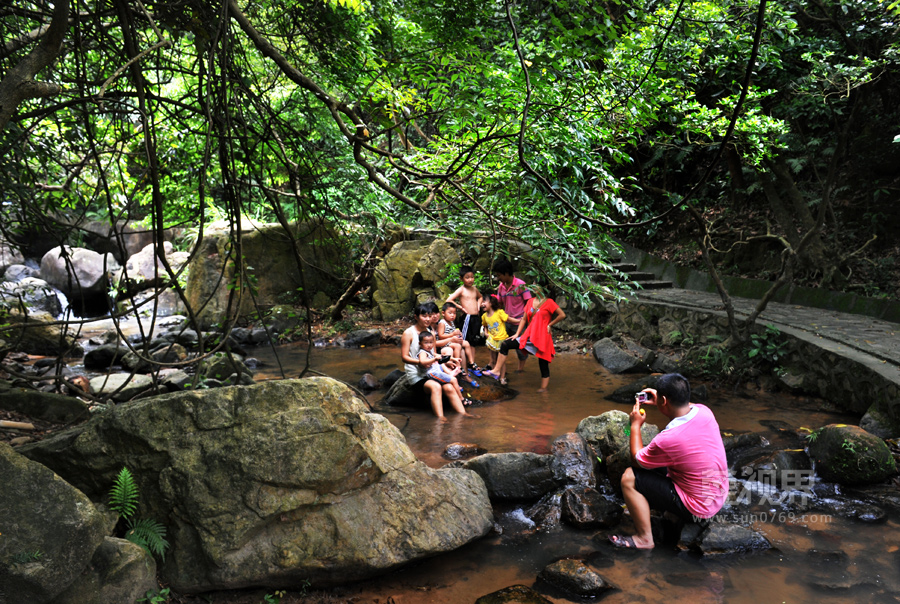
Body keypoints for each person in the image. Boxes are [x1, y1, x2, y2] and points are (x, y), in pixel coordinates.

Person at [608, 373, 729, 549]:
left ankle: (644, 539)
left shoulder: (668, 439)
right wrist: (662, 401)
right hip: (717, 495)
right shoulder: (705, 412)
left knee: (629, 478)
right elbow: (682, 411)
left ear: (664, 401)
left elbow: (637, 460)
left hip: (699, 508)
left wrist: (635, 425)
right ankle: (671, 513)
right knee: (662, 460)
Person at [400, 302, 475, 420]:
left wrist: (448, 360)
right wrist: (420, 362)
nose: (428, 319)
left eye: (429, 316)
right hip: (417, 374)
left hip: (431, 370)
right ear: (416, 317)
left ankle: (464, 414)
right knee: (436, 387)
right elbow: (404, 357)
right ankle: (441, 418)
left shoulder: (430, 333)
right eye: (424, 316)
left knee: (449, 387)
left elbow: (433, 353)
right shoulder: (408, 333)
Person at [484, 284, 565, 392]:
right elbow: (523, 319)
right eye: (533, 285)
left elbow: (562, 315)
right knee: (505, 344)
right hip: (529, 334)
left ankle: (543, 388)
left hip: (542, 336)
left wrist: (550, 324)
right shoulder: (530, 301)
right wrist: (517, 334)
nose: (534, 287)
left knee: (543, 362)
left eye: (537, 285)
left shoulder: (549, 302)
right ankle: (496, 371)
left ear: (543, 287)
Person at [493, 258, 532, 373]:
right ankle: (499, 369)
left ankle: (520, 369)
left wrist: (526, 320)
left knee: (520, 347)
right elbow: (499, 303)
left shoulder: (520, 285)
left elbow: (528, 303)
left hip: (519, 322)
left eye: (499, 275)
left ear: (506, 273)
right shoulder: (501, 287)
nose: (498, 278)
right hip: (506, 320)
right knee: (500, 344)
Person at [445, 265, 485, 372]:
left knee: (473, 341)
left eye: (472, 277)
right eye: (467, 277)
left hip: (476, 318)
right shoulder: (461, 290)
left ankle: (472, 363)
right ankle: (463, 364)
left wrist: (478, 304)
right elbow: (449, 300)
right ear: (461, 279)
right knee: (464, 341)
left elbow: (480, 297)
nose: (470, 279)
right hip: (467, 318)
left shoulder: (474, 289)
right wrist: (460, 307)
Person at [436, 302, 479, 386]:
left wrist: (459, 334)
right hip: (446, 344)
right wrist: (452, 335)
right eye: (450, 313)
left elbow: (454, 332)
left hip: (452, 341)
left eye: (454, 313)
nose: (452, 315)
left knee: (466, 343)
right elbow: (441, 336)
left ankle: (471, 362)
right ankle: (458, 366)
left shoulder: (451, 322)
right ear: (443, 313)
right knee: (457, 346)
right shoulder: (442, 323)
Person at [417, 333, 466, 399]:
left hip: (434, 369)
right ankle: (461, 399)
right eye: (426, 343)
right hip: (431, 373)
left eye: (431, 342)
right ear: (420, 343)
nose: (429, 345)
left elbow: (441, 356)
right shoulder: (422, 353)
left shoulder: (429, 351)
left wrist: (454, 359)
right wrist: (434, 359)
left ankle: (450, 373)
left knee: (440, 363)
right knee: (454, 380)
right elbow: (422, 362)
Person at [481, 294, 519, 370]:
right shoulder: (484, 316)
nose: (482, 304)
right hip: (492, 339)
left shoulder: (499, 312)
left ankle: (502, 378)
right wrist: (486, 333)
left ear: (491, 303)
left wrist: (520, 321)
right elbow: (485, 325)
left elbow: (509, 319)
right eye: (481, 302)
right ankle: (494, 373)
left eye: (484, 301)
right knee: (493, 358)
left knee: (501, 361)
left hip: (501, 339)